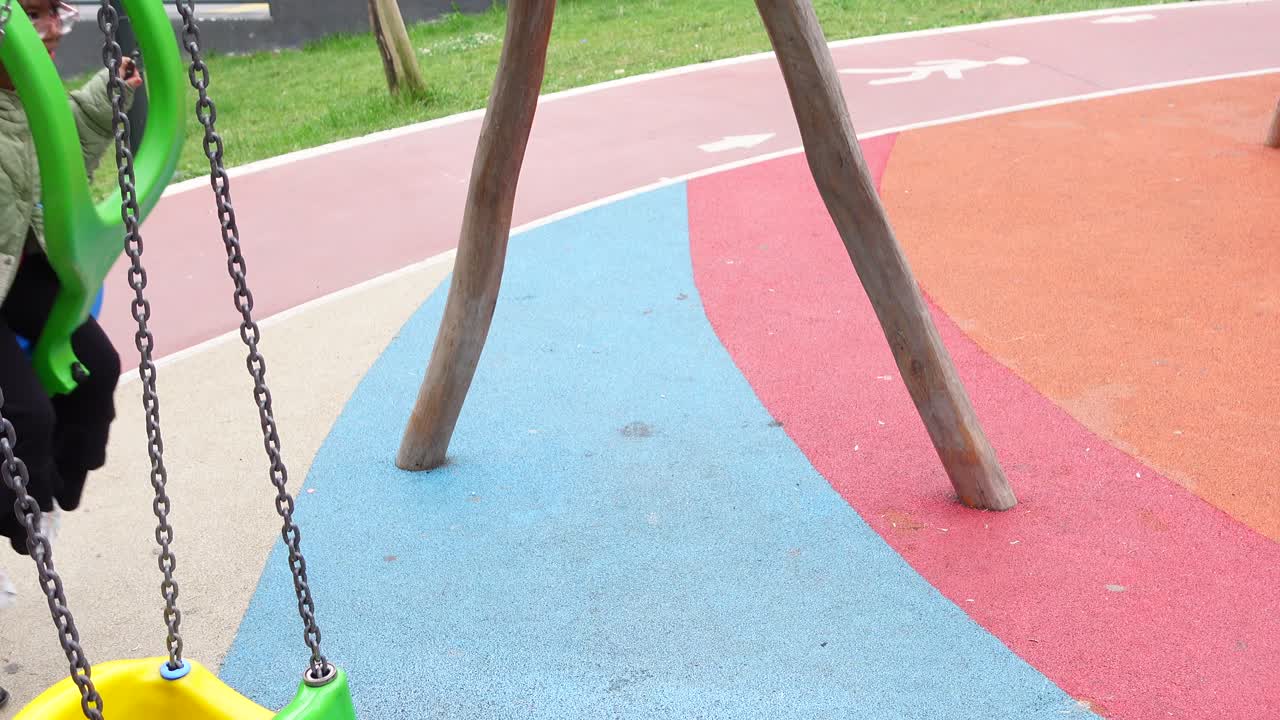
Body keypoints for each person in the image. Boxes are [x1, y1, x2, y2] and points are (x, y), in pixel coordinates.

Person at [0, 3, 143, 706]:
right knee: (26, 421)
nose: (51, 29)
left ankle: (50, 499)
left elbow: (73, 140)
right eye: (31, 15)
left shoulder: (32, 94)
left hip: (18, 274)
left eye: (54, 11)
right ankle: (20, 522)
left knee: (102, 369)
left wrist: (108, 95)